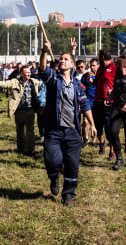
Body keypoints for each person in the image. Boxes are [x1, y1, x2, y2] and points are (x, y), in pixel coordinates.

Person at [39, 39, 96, 207]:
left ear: (72, 64)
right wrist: (44, 51)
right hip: (54, 130)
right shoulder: (53, 79)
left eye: (65, 59)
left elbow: (85, 105)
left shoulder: (78, 85)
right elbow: (43, 68)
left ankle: (68, 195)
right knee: (52, 159)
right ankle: (54, 177)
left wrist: (92, 124)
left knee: (72, 165)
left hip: (72, 131)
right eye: (60, 59)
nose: (62, 60)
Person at [0, 66, 44, 156]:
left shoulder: (34, 82)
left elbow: (44, 84)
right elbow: (6, 84)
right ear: (21, 73)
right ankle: (20, 148)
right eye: (26, 72)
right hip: (19, 110)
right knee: (20, 131)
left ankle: (30, 150)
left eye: (29, 72)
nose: (29, 74)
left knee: (30, 131)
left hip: (30, 110)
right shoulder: (15, 82)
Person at [93, 49, 116, 158]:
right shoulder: (100, 68)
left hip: (109, 103)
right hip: (97, 101)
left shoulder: (114, 67)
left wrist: (114, 90)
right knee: (98, 126)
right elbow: (96, 83)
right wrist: (89, 79)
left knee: (108, 127)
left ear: (102, 57)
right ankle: (102, 143)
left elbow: (119, 82)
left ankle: (112, 150)